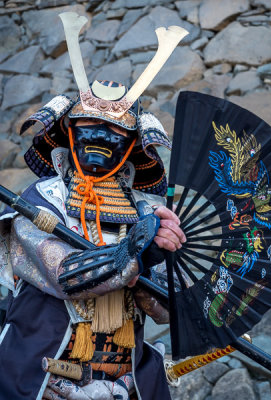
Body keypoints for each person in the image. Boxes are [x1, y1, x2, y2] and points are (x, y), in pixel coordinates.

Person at [0, 80, 186, 400]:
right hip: (42, 377)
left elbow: (170, 309)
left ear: (131, 144)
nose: (100, 135)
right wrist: (135, 254)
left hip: (125, 382)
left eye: (115, 130)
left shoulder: (146, 212)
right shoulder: (40, 201)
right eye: (89, 123)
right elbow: (63, 274)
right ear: (68, 131)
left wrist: (160, 259)